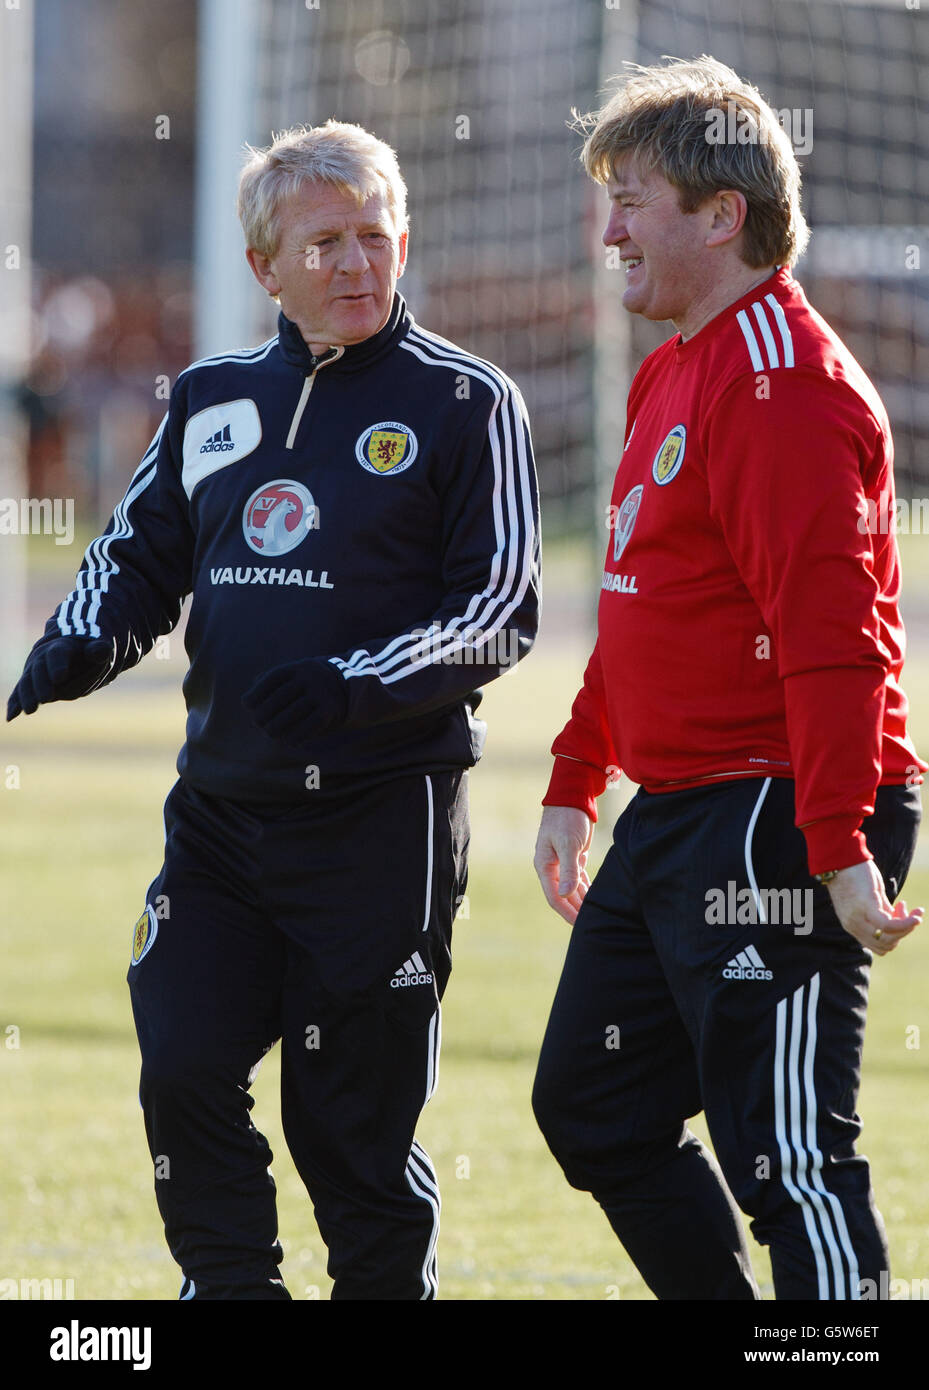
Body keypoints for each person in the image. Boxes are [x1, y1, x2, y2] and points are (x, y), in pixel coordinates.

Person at [8, 120, 540, 1300]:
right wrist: (76, 641)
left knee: (350, 1133)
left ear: (403, 242)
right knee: (183, 1067)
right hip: (221, 818)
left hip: (378, 824)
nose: (355, 264)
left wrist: (356, 687)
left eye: (373, 238)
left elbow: (501, 604)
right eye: (324, 243)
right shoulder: (209, 398)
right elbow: (134, 557)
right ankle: (230, 1287)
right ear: (265, 267)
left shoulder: (465, 401)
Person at [531, 57, 924, 1301]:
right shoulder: (673, 365)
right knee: (590, 1105)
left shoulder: (782, 384)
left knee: (785, 1155)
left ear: (720, 215)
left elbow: (832, 636)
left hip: (778, 814)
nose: (608, 232)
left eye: (632, 198)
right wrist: (573, 775)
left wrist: (835, 836)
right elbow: (643, 608)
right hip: (679, 813)